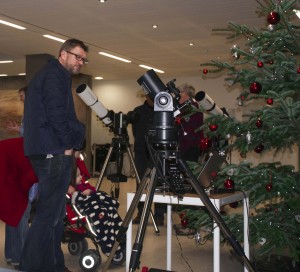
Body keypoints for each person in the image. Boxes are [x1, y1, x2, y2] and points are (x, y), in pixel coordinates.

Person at [20, 38, 88, 272]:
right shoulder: (53, 76)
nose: (81, 62)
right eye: (77, 56)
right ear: (63, 54)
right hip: (53, 152)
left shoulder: (56, 75)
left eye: (83, 59)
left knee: (56, 216)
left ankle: (53, 265)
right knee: (48, 216)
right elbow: (57, 114)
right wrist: (68, 144)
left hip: (52, 150)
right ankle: (32, 266)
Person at [4, 86, 36, 269]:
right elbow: (33, 141)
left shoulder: (33, 114)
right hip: (24, 172)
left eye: (22, 96)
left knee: (16, 213)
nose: (21, 99)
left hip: (24, 170)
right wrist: (20, 130)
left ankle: (13, 255)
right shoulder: (31, 114)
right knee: (20, 214)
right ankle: (19, 256)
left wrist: (20, 130)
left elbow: (30, 139)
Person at [67, 163, 124, 256]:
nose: (81, 177)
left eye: (80, 174)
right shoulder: (72, 192)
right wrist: (80, 194)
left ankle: (118, 233)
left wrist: (90, 192)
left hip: (96, 202)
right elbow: (79, 202)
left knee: (109, 210)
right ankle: (108, 243)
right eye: (78, 176)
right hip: (90, 209)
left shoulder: (82, 185)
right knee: (103, 216)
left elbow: (93, 190)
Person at [132, 96, 165, 226]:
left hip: (158, 152)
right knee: (141, 183)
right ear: (146, 97)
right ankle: (141, 213)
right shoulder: (138, 111)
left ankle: (159, 214)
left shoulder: (162, 111)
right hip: (141, 152)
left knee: (160, 182)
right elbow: (135, 131)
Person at [177, 83, 203, 163]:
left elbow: (189, 134)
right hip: (185, 149)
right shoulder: (183, 109)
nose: (177, 96)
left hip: (188, 150)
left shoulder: (193, 110)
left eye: (179, 93)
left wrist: (180, 152)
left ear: (185, 94)